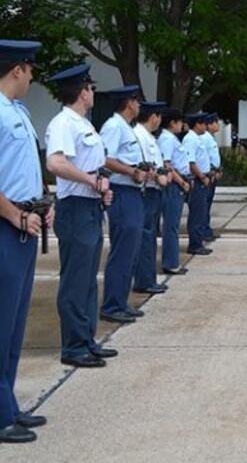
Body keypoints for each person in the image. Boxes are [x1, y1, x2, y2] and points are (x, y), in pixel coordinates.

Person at [45, 64, 115, 369]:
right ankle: (73, 346)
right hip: (74, 206)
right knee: (75, 279)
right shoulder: (64, 123)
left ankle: (86, 339)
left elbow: (93, 167)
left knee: (88, 279)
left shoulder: (84, 125)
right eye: (90, 88)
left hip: (89, 207)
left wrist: (101, 188)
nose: (93, 93)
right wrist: (90, 181)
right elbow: (56, 164)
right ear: (82, 92)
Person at [0, 40, 51, 443]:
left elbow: (26, 168)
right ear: (16, 69)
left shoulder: (18, 112)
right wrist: (15, 213)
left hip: (24, 222)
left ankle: (8, 404)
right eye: (30, 69)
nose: (33, 76)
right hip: (6, 223)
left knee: (15, 322)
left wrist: (41, 204)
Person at [99, 85, 149, 324]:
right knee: (122, 250)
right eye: (137, 101)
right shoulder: (113, 126)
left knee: (130, 250)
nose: (139, 105)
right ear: (129, 103)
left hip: (132, 191)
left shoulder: (125, 128)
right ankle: (112, 305)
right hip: (121, 191)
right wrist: (131, 171)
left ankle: (120, 301)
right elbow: (105, 158)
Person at [132, 101, 170, 296]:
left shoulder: (149, 137)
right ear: (153, 117)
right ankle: (144, 280)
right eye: (159, 116)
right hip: (148, 191)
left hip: (154, 191)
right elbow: (145, 166)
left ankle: (148, 278)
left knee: (150, 236)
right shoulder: (140, 135)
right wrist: (158, 176)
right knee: (146, 237)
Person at [157, 110, 190, 276]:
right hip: (173, 185)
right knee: (171, 225)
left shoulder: (171, 138)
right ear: (172, 123)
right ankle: (170, 263)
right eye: (179, 122)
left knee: (174, 225)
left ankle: (172, 260)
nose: (181, 125)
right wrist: (181, 181)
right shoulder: (167, 139)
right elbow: (167, 164)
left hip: (177, 183)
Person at [182, 113, 214, 256]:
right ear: (197, 124)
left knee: (201, 212)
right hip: (197, 180)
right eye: (203, 124)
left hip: (203, 179)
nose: (206, 127)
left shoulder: (197, 138)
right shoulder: (190, 139)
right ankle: (195, 244)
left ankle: (198, 241)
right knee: (196, 213)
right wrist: (201, 176)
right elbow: (190, 162)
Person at [202, 114, 222, 240]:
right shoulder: (205, 138)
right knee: (204, 204)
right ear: (209, 125)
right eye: (215, 122)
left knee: (207, 204)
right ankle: (204, 230)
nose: (218, 125)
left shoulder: (211, 137)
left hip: (213, 173)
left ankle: (206, 228)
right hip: (208, 175)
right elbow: (204, 157)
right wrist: (212, 171)